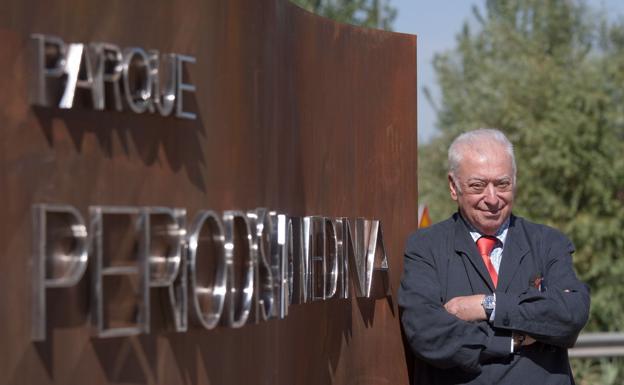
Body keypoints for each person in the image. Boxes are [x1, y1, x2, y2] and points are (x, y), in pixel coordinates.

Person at [399, 128, 590, 385]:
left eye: (502, 184)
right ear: (454, 187)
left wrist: (488, 305)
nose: (492, 198)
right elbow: (427, 333)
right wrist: (513, 340)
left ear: (515, 181)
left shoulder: (547, 243)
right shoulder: (426, 247)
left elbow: (571, 314)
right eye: (478, 185)